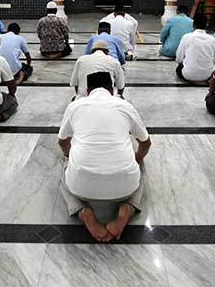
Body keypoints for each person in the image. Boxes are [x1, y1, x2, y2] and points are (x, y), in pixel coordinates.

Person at [58, 71, 151, 242]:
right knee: (140, 169)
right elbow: (146, 143)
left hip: (81, 188)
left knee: (65, 170)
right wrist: (137, 159)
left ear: (87, 91)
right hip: (125, 187)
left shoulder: (75, 106)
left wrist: (68, 157)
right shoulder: (124, 105)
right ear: (112, 91)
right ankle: (128, 209)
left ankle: (82, 211)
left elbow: (63, 142)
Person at [176, 13, 215, 85]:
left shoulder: (187, 37)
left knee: (178, 69)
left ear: (193, 25)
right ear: (206, 25)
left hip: (188, 75)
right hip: (207, 75)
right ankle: (200, 80)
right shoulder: (212, 39)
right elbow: (214, 60)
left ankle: (194, 81)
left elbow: (179, 58)